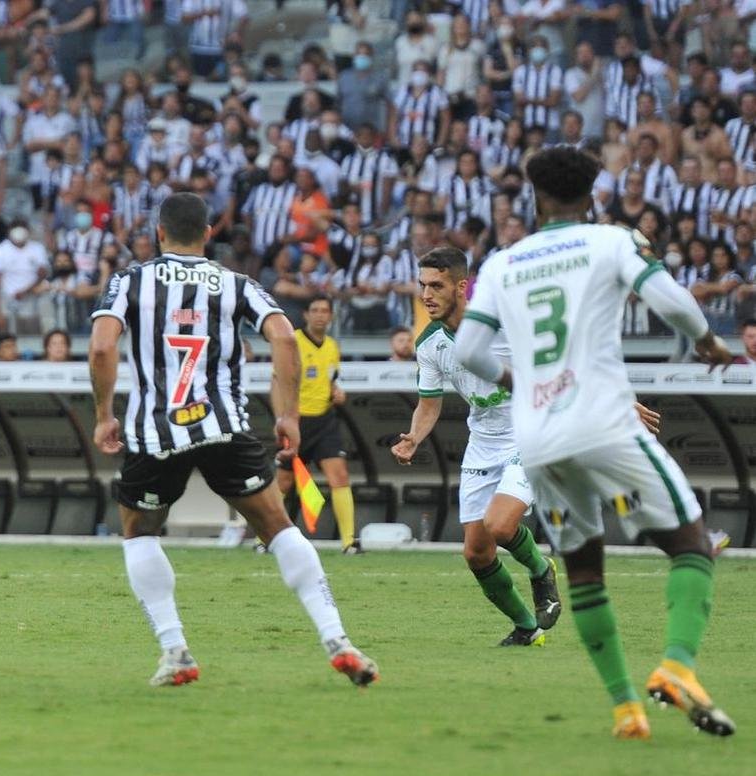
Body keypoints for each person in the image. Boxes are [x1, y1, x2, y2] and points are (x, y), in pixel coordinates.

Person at [452, 146, 735, 739]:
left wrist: (518, 381)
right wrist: (708, 342)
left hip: (539, 438)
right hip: (604, 422)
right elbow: (672, 301)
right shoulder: (610, 241)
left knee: (583, 570)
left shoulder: (503, 263)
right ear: (590, 197)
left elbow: (470, 351)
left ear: (536, 199)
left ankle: (626, 709)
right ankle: (678, 666)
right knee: (692, 542)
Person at [89, 192, 379, 688]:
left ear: (159, 233)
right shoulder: (236, 283)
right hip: (223, 425)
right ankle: (337, 639)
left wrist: (103, 416)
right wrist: (288, 415)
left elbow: (101, 347)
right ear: (208, 234)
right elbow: (284, 337)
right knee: (279, 527)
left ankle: (175, 650)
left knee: (139, 532)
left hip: (155, 431)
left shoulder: (130, 281)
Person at [393, 246, 567, 646]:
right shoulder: (429, 343)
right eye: (422, 286)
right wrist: (414, 437)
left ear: (461, 286)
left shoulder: (503, 324)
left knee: (501, 525)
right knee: (476, 553)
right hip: (484, 443)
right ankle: (527, 628)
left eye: (436, 286)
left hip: (531, 432)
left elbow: (561, 361)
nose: (426, 295)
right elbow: (428, 404)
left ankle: (541, 571)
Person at [275, 296, 360, 554]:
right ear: (306, 315)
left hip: (325, 420)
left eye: (325, 311)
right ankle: (262, 537)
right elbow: (277, 383)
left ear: (331, 316)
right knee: (284, 482)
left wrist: (337, 392)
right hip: (297, 421)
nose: (320, 315)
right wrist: (281, 419)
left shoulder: (333, 346)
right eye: (315, 310)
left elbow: (330, 380)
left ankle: (349, 542)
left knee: (340, 476)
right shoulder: (293, 342)